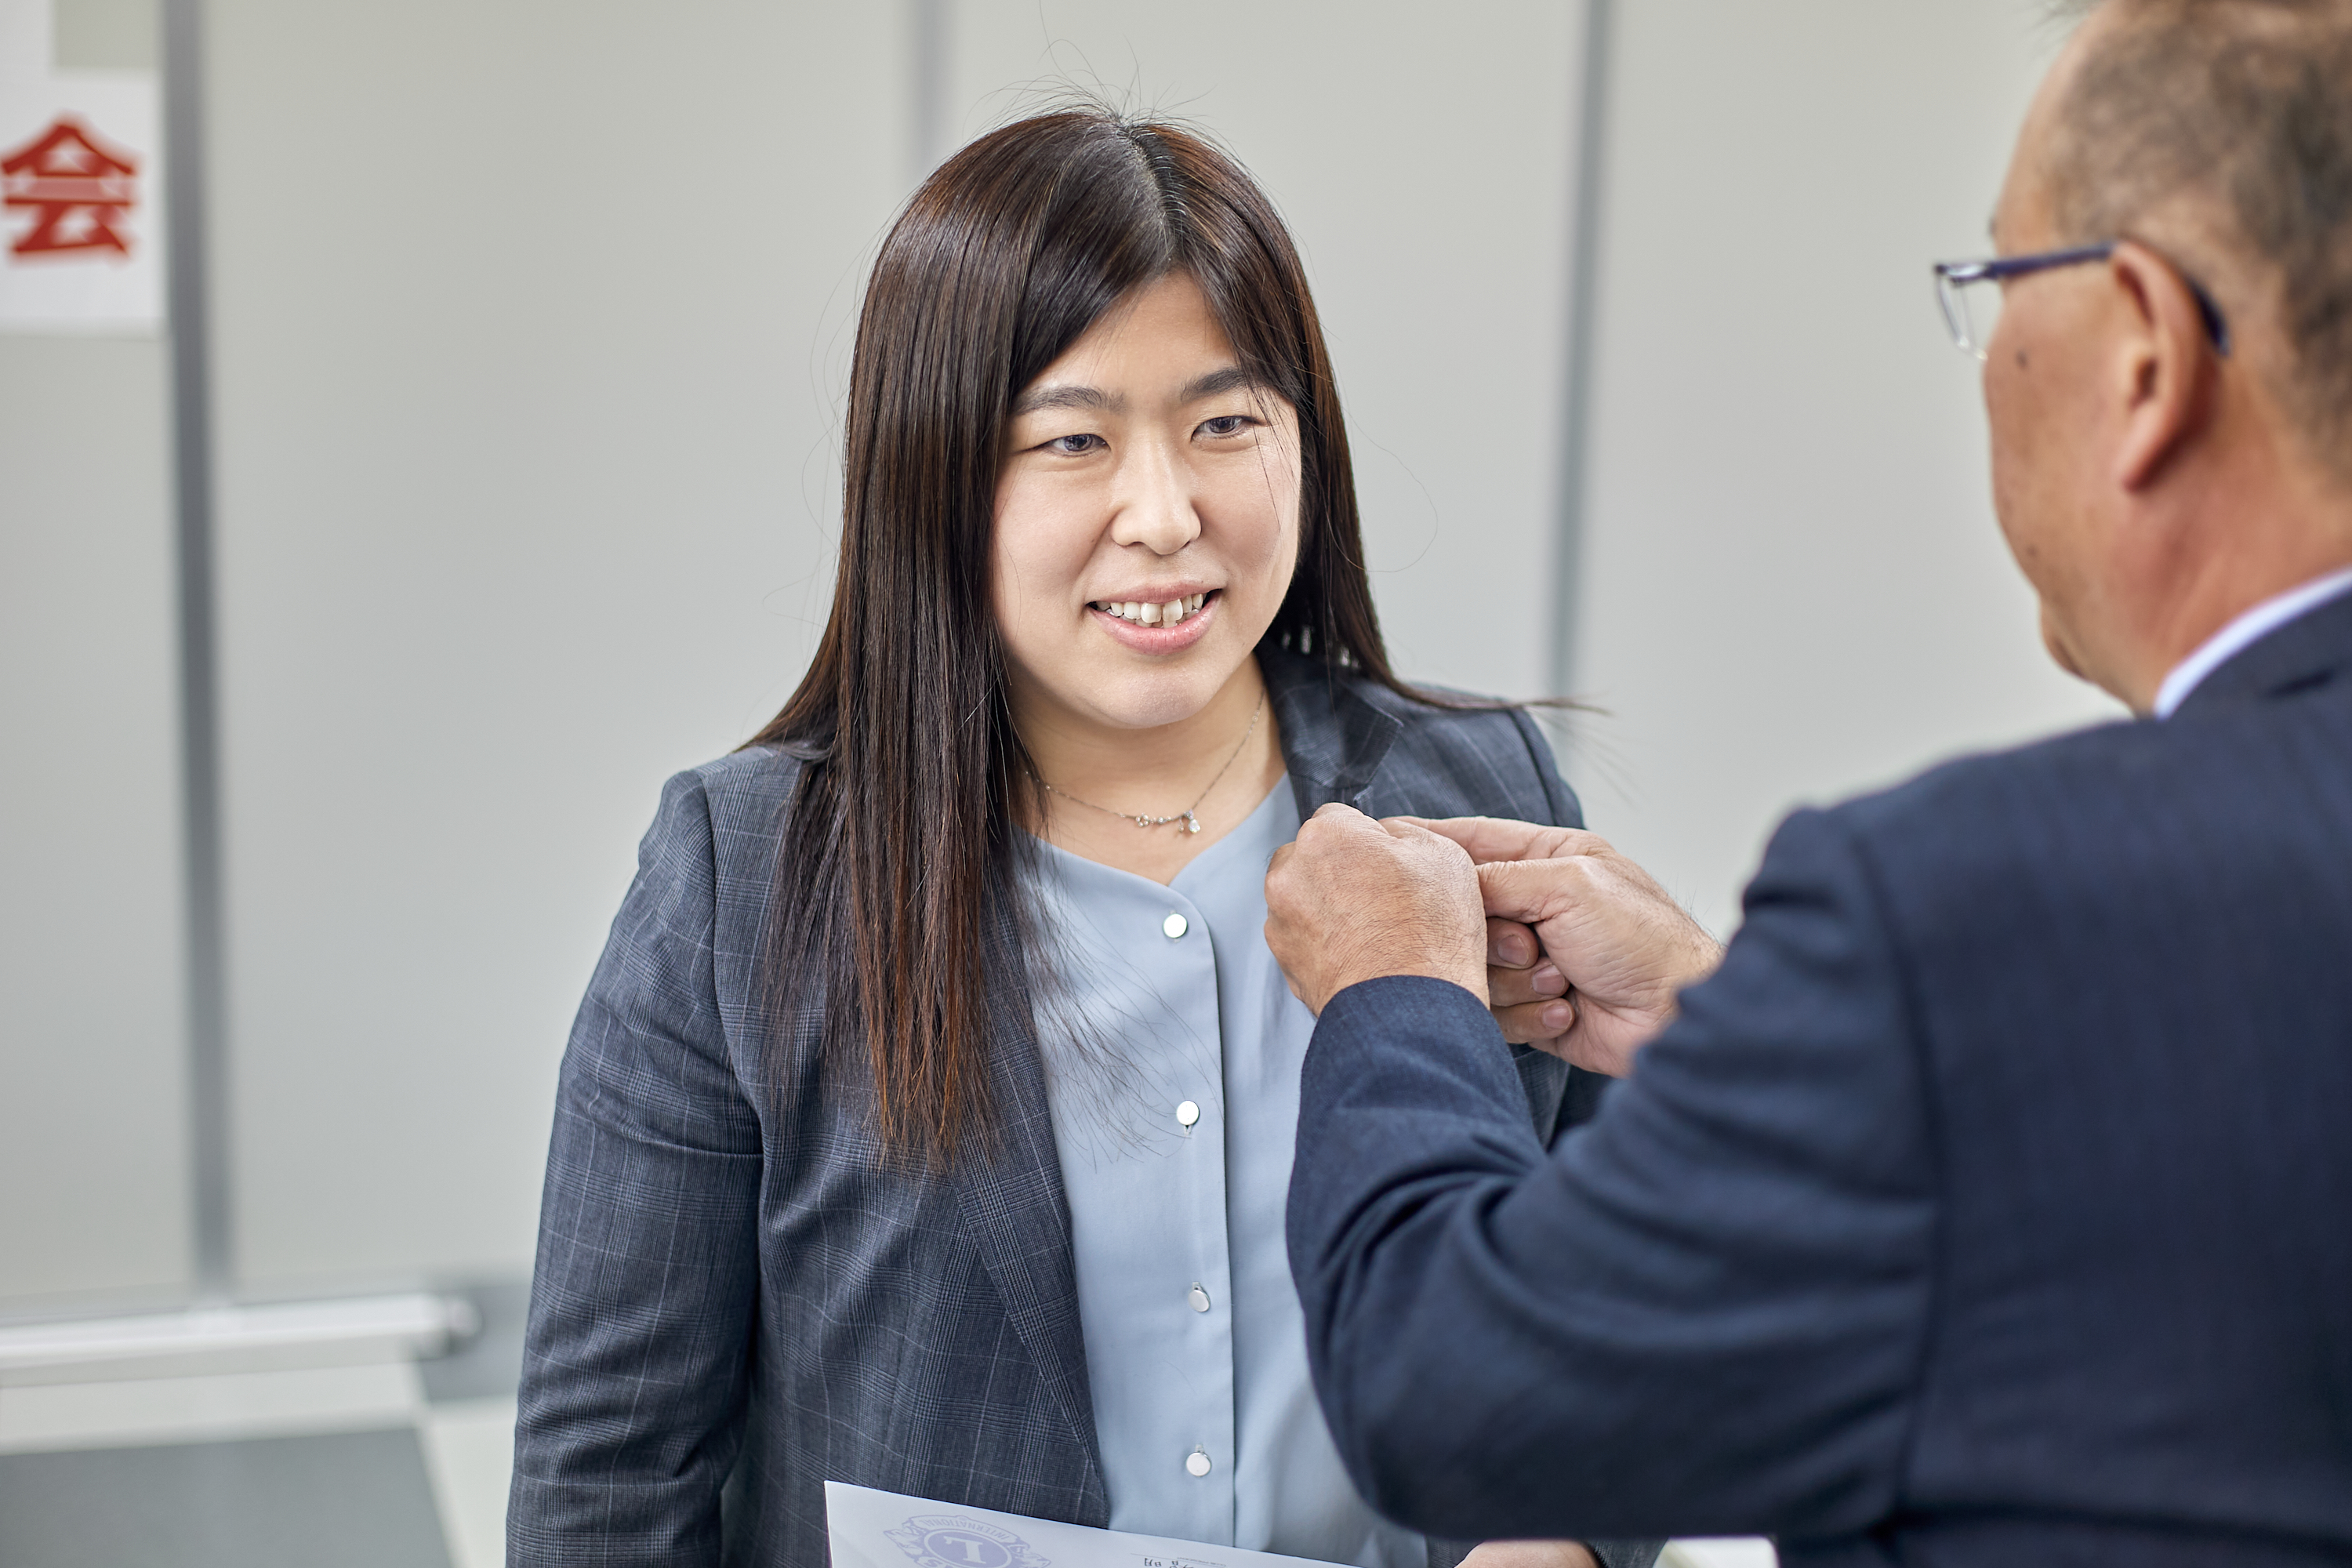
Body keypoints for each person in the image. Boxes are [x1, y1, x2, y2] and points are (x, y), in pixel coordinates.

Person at [1261, 2, 2352, 1565]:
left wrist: (1393, 994)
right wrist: (1746, 1029)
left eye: (1994, 287)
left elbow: (1454, 1393)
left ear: (2145, 351)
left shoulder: (1953, 913)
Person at [506, 109, 1657, 1568]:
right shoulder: (748, 873)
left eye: (1225, 424)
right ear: (935, 476)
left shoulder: (1473, 792)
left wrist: (1557, 1541)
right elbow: (607, 1477)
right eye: (1073, 440)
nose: (1165, 514)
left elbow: (1621, 1295)